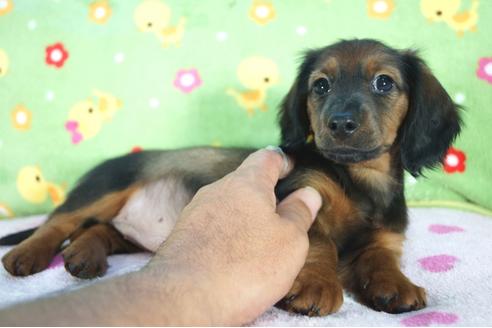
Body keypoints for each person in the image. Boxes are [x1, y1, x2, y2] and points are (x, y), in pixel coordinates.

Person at [0, 147, 322, 326]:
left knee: (117, 230)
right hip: (148, 181)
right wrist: (52, 233)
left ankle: (101, 237)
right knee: (118, 178)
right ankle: (55, 230)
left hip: (162, 234)